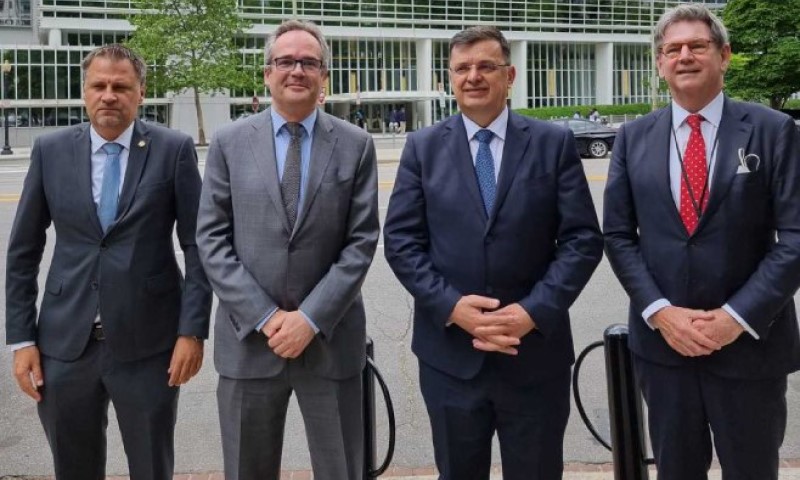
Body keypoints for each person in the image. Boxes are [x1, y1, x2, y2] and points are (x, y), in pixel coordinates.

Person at [383, 26, 602, 480]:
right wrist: (452, 307)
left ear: (510, 75)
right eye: (462, 68)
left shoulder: (552, 143)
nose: (473, 77)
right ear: (449, 79)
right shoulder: (423, 147)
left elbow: (582, 240)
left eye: (486, 66)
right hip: (450, 358)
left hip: (534, 355)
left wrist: (532, 311)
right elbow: (402, 242)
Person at [603, 5, 800, 480]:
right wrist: (660, 312)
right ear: (659, 63)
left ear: (724, 55)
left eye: (698, 45)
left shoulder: (773, 131)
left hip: (749, 349)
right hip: (664, 350)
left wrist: (736, 317)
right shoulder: (632, 138)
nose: (684, 56)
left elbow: (795, 237)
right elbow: (618, 235)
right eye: (672, 49)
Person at [5, 44, 212, 480]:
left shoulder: (172, 150)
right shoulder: (51, 150)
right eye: (99, 85)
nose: (109, 95)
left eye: (121, 87)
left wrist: (191, 331)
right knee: (73, 468)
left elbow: (198, 247)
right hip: (64, 347)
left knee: (152, 467)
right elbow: (23, 251)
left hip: (150, 347)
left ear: (141, 92)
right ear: (84, 90)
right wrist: (22, 339)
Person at [196, 19, 380, 480]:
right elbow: (212, 239)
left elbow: (361, 242)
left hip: (330, 341)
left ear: (323, 75)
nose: (297, 70)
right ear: (267, 73)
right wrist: (266, 316)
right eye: (285, 61)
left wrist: (309, 319)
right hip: (249, 342)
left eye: (308, 62)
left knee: (342, 470)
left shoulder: (356, 145)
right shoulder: (229, 142)